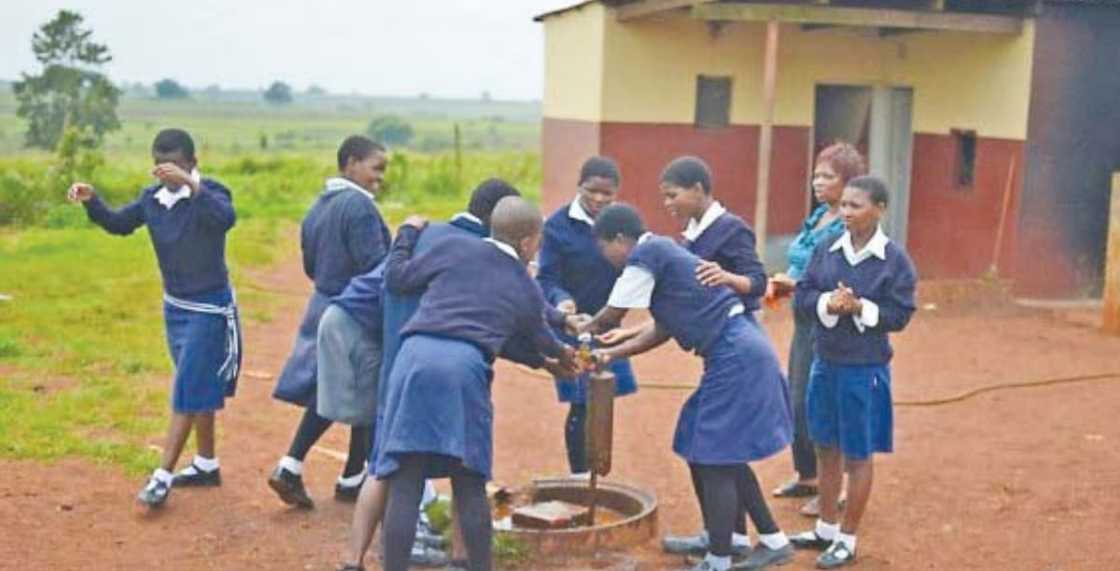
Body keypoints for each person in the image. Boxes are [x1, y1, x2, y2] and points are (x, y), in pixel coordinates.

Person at [372, 197, 577, 571]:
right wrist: (567, 359)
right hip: (463, 368)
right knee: (468, 479)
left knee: (407, 478)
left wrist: (405, 233)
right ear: (530, 242)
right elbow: (543, 339)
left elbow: (397, 278)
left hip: (412, 358)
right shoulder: (521, 280)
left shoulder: (453, 247)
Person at [585, 204, 793, 571]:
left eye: (604, 249)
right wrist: (610, 354)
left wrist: (577, 333)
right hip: (734, 352)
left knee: (713, 453)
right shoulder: (665, 259)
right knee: (704, 446)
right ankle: (738, 538)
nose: (605, 258)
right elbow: (661, 329)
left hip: (736, 354)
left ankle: (719, 558)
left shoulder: (648, 252)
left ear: (620, 239)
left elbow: (611, 314)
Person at [337, 179, 524, 571]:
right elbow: (499, 321)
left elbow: (390, 281)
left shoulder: (427, 234)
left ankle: (353, 560)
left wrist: (404, 233)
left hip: (401, 364)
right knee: (465, 468)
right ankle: (464, 559)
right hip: (450, 368)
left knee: (387, 468)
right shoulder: (479, 252)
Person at [67, 128, 239, 508]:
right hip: (175, 308)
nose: (168, 173)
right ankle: (206, 464)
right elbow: (119, 224)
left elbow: (226, 219)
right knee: (198, 387)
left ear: (193, 163)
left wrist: (193, 187)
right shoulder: (152, 200)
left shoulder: (211, 194)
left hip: (208, 309)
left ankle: (162, 475)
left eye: (177, 165)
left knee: (187, 389)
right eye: (161, 166)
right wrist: (92, 202)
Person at [606, 156, 766, 556]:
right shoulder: (689, 238)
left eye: (673, 195)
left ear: (698, 189)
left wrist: (730, 279)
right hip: (717, 348)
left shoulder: (731, 230)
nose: (668, 204)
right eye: (664, 197)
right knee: (716, 448)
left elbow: (759, 283)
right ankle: (728, 536)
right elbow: (675, 316)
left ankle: (729, 545)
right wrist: (624, 339)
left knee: (716, 448)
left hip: (735, 343)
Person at [789, 176, 917, 568]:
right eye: (842, 205)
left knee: (858, 456)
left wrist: (861, 308)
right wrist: (830, 302)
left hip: (865, 371)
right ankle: (825, 528)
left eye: (855, 206)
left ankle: (847, 537)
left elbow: (900, 314)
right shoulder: (828, 248)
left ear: (879, 209)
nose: (845, 212)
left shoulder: (894, 262)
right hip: (824, 364)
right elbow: (804, 295)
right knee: (825, 446)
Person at [269, 135, 390, 509]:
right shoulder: (359, 208)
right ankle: (295, 467)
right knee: (359, 388)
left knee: (346, 388)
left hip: (322, 304)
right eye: (376, 168)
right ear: (351, 163)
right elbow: (376, 268)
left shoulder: (319, 205)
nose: (380, 177)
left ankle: (351, 476)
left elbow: (309, 264)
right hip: (354, 312)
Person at [768, 142, 865, 518]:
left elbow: (835, 278)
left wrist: (792, 285)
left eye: (828, 176)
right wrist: (784, 281)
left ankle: (833, 488)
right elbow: (801, 265)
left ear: (849, 183)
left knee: (822, 403)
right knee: (797, 399)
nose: (817, 182)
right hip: (803, 320)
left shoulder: (847, 226)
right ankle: (807, 475)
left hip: (828, 326)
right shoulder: (818, 218)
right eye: (816, 175)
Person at [536, 156, 638, 476]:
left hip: (607, 326)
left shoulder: (620, 223)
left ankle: (598, 473)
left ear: (616, 193)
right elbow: (547, 279)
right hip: (573, 327)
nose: (598, 199)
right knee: (581, 403)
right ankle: (581, 475)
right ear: (579, 186)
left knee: (602, 401)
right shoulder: (556, 226)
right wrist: (563, 303)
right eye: (591, 191)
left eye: (606, 193)